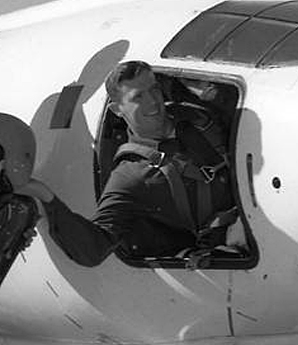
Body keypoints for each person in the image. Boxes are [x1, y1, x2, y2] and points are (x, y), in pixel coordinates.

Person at [19, 60, 240, 267]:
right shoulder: (130, 175)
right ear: (117, 110)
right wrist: (43, 194)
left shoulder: (198, 118)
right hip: (231, 245)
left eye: (154, 89)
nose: (153, 101)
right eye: (138, 97)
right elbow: (93, 249)